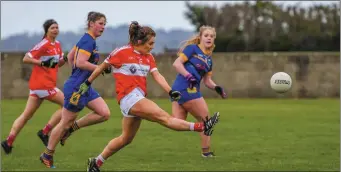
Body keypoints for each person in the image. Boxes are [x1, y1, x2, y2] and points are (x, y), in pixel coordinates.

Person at [83, 21, 220, 172]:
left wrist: (170, 91)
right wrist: (87, 83)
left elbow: (157, 75)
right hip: (128, 97)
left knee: (125, 139)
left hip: (137, 97)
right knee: (164, 117)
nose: (153, 46)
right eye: (150, 43)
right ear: (140, 42)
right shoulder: (121, 52)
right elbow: (102, 67)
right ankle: (202, 126)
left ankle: (96, 162)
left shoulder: (149, 57)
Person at [39, 11, 111, 169]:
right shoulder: (88, 41)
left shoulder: (87, 40)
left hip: (85, 85)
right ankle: (47, 154)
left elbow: (71, 57)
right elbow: (79, 62)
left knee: (104, 113)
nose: (103, 27)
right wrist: (100, 68)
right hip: (77, 87)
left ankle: (72, 129)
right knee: (64, 122)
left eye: (104, 24)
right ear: (91, 23)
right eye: (100, 23)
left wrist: (77, 73)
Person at [1, 19, 67, 154]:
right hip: (43, 85)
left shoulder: (58, 44)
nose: (55, 30)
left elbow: (57, 64)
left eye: (57, 27)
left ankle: (8, 142)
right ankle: (45, 131)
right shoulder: (44, 44)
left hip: (39, 87)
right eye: (52, 28)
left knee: (26, 115)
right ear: (47, 30)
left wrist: (66, 58)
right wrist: (41, 63)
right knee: (68, 105)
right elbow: (26, 58)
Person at [171, 25, 227, 158]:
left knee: (176, 123)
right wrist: (188, 75)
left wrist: (216, 88)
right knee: (206, 120)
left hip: (178, 91)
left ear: (214, 40)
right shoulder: (192, 49)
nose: (209, 38)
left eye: (212, 36)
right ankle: (206, 152)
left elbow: (207, 81)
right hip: (186, 88)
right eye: (206, 35)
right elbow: (177, 64)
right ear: (200, 37)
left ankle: (154, 115)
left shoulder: (209, 60)